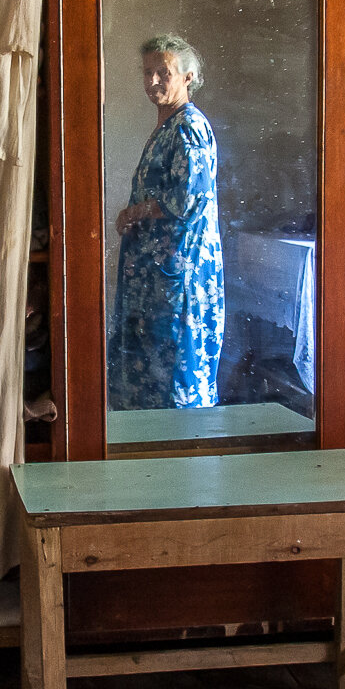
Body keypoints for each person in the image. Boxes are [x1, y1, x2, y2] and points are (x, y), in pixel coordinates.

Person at [109, 34, 224, 409]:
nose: (153, 81)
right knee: (149, 375)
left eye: (164, 72)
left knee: (175, 375)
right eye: (148, 72)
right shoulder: (168, 126)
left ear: (188, 77)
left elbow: (186, 198)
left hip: (177, 276)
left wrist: (134, 212)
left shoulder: (188, 127)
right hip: (156, 277)